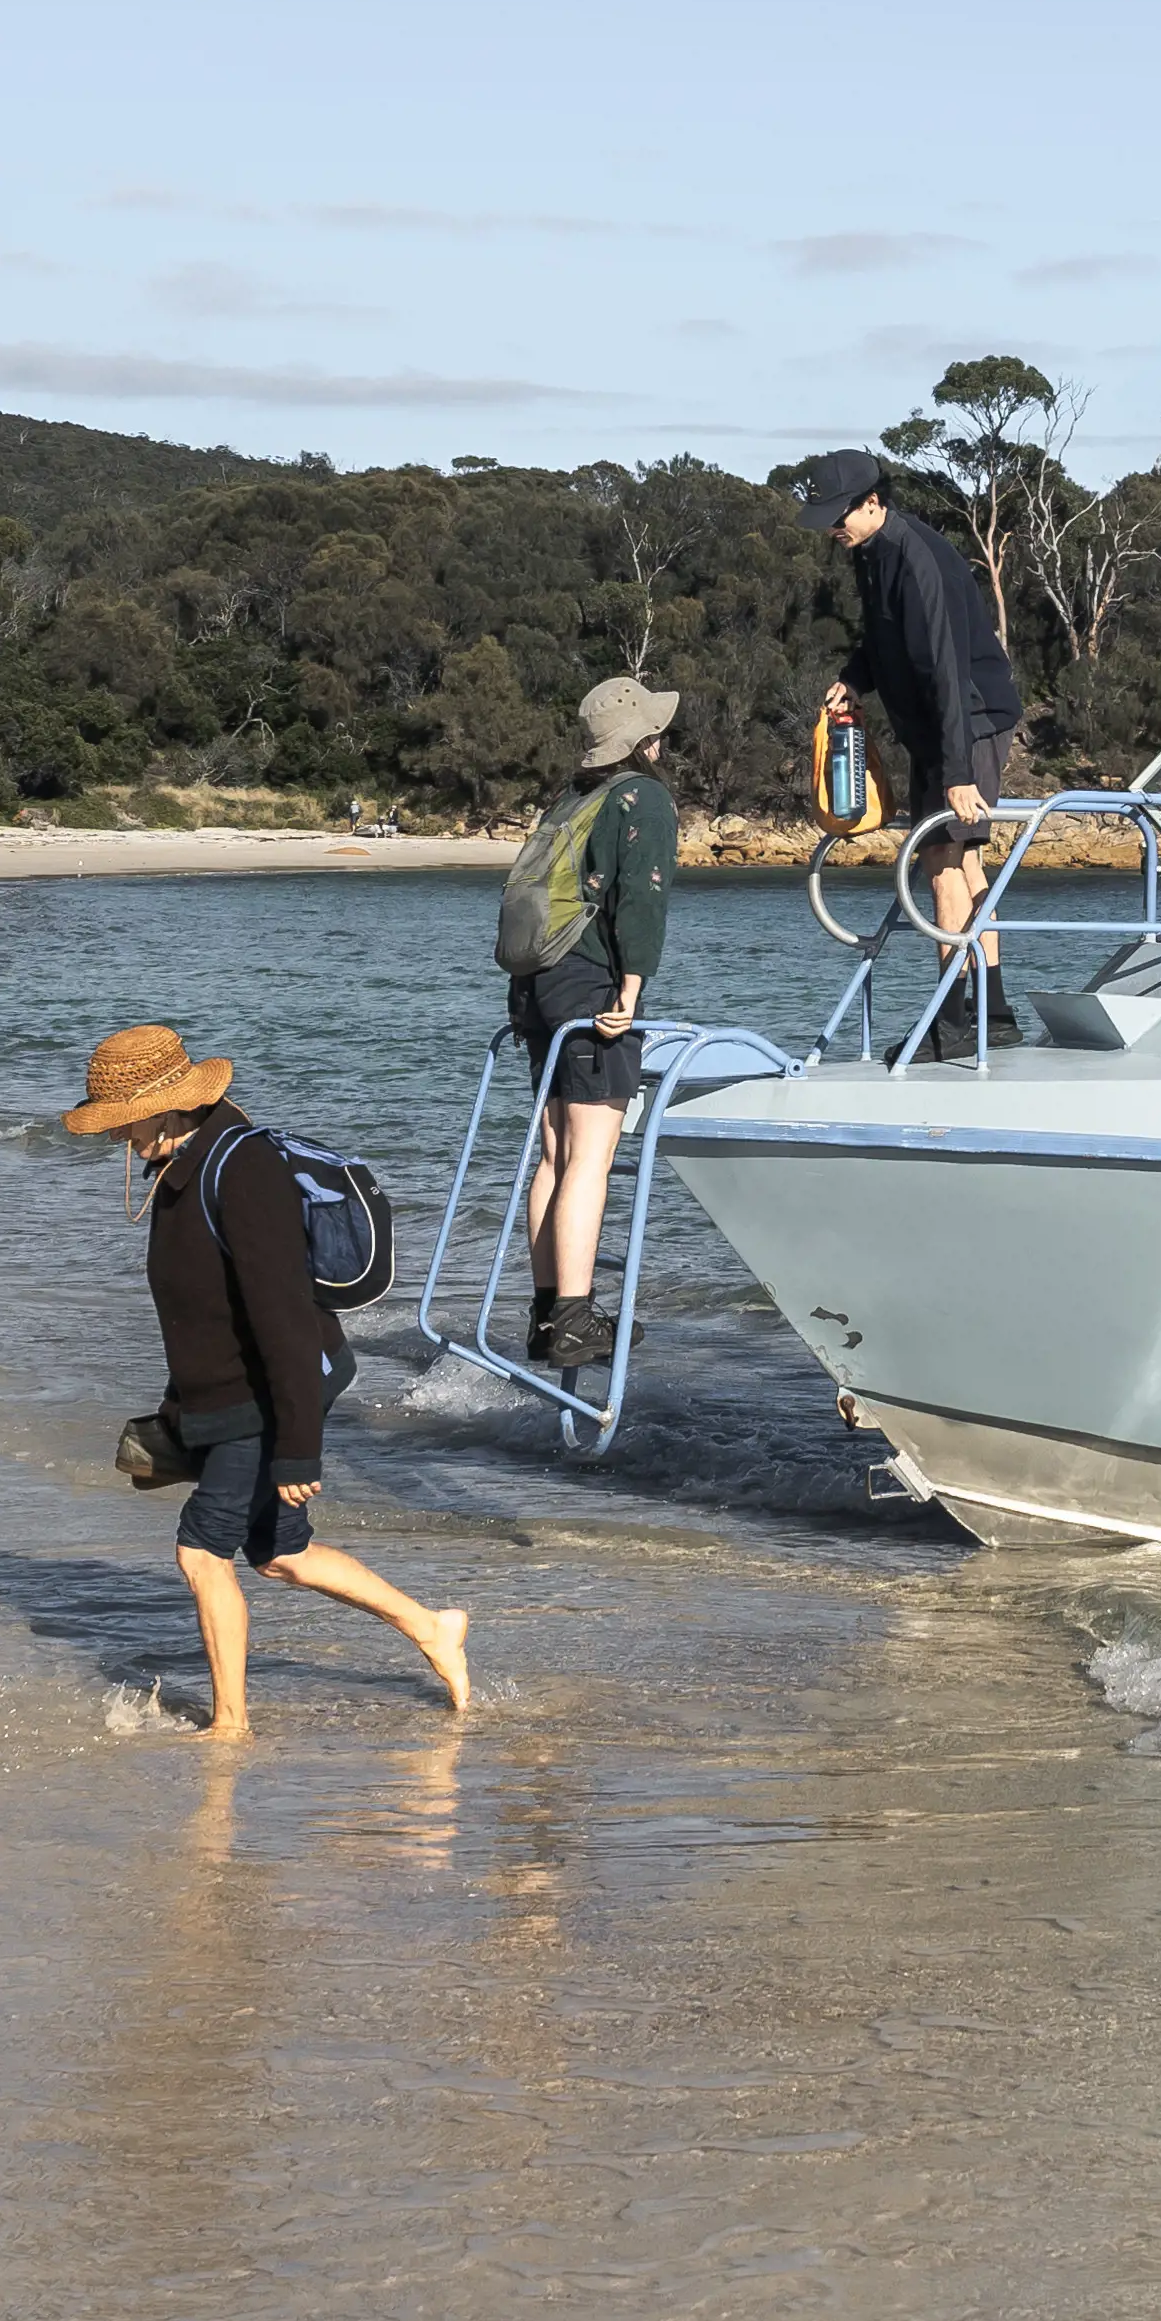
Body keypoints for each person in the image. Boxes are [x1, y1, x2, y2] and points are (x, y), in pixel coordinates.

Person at [62, 1021, 474, 1738]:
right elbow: (201, 1311)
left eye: (122, 1123)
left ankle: (229, 1725)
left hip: (274, 1389)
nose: (115, 1139)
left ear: (168, 1106)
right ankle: (433, 1626)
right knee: (281, 1555)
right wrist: (180, 1409)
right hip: (231, 1391)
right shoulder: (179, 1165)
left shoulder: (242, 1171)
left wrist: (297, 1450)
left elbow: (283, 1317)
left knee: (200, 1551)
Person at [806, 448, 1028, 1044]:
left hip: (968, 721)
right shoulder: (870, 554)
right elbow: (883, 638)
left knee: (939, 862)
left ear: (873, 502)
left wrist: (957, 772)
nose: (833, 529)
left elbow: (949, 672)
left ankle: (952, 1023)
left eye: (839, 515)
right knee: (967, 861)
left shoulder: (917, 558)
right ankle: (996, 1016)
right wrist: (855, 678)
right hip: (940, 728)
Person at [493, 675, 680, 1368]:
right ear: (645, 741)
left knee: (555, 1152)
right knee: (591, 1158)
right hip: (587, 986)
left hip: (532, 985)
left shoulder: (575, 795)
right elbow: (641, 903)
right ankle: (574, 1321)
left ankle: (547, 1314)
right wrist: (630, 991)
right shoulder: (644, 798)